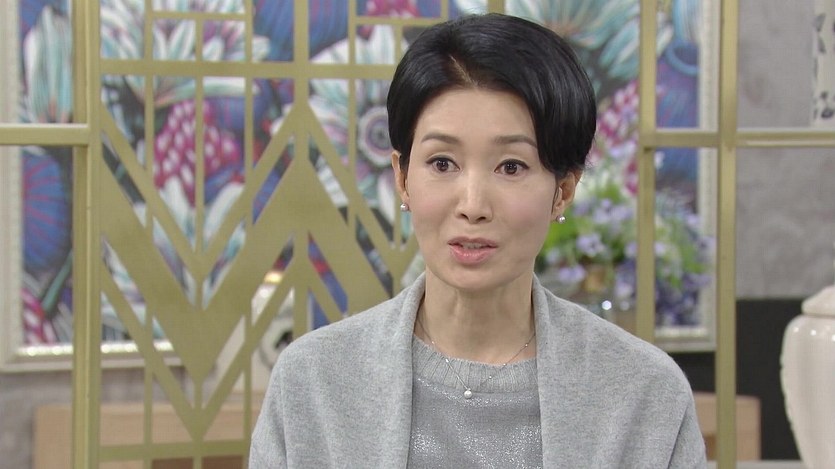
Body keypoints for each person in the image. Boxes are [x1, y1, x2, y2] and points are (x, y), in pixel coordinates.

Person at [250, 13, 706, 468]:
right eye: (442, 163)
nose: (473, 205)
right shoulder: (314, 383)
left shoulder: (644, 394)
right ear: (403, 178)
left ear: (563, 191)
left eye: (511, 166)